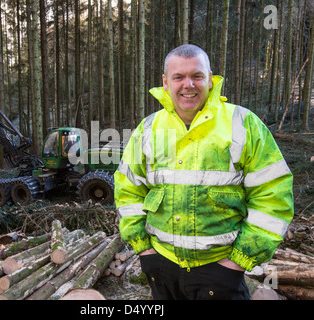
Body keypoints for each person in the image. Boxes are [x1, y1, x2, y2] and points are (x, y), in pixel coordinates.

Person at [114, 44, 294, 300]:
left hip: (221, 270)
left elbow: (273, 197)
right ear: (166, 83)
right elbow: (128, 190)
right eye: (179, 77)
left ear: (210, 79)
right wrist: (144, 251)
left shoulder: (243, 124)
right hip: (162, 267)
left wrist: (237, 263)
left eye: (197, 76)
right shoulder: (148, 129)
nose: (188, 84)